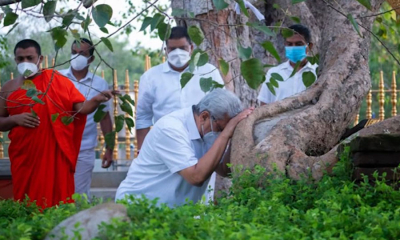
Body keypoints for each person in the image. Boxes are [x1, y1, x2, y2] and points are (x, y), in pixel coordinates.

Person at [0, 39, 115, 209]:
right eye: (21, 58)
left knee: (56, 202)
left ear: (40, 59)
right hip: (24, 156)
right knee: (25, 202)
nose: (25, 62)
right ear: (15, 59)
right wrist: (14, 119)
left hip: (54, 154)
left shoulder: (56, 81)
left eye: (30, 58)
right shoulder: (8, 87)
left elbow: (81, 109)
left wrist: (97, 99)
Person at [116, 89, 254, 207]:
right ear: (204, 116)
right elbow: (196, 177)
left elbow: (225, 170)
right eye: (220, 128)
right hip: (139, 206)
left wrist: (233, 135)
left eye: (223, 130)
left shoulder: (208, 132)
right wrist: (225, 134)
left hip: (174, 213)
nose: (219, 133)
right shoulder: (170, 129)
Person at [136, 26, 225, 202]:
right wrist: (142, 150)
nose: (177, 53)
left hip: (203, 145)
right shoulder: (151, 77)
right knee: (166, 195)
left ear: (191, 48)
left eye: (182, 48)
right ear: (165, 50)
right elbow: (143, 117)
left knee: (201, 197)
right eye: (172, 49)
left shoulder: (209, 72)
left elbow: (222, 109)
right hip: (166, 146)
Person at [59, 38, 113, 198]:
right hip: (58, 145)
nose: (77, 56)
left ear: (91, 59)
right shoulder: (58, 78)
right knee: (56, 192)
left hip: (84, 147)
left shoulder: (99, 84)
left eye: (82, 53)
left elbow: (104, 118)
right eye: (74, 53)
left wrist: (109, 149)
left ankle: (78, 223)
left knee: (79, 195)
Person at [258, 24, 318, 105]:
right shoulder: (274, 73)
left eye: (298, 44)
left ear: (309, 46)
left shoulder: (318, 72)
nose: (293, 48)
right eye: (289, 44)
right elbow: (264, 104)